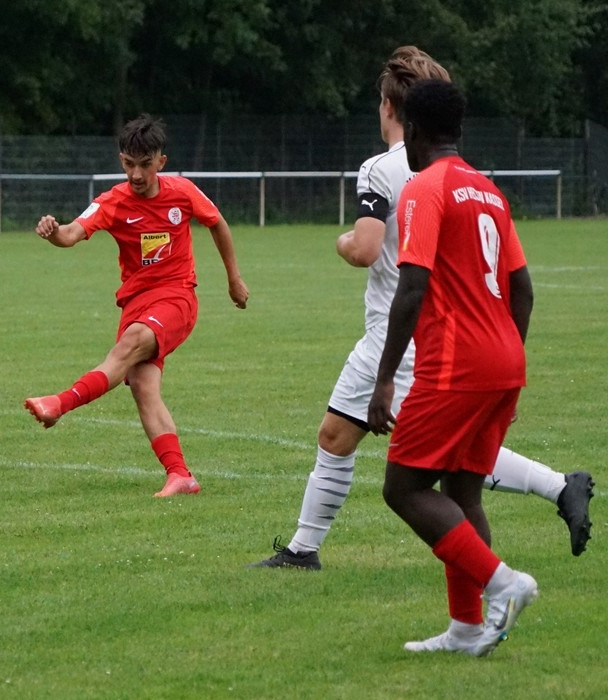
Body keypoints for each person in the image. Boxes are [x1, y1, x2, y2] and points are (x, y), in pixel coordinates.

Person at [249, 46, 593, 572]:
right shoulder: (472, 179)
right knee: (345, 436)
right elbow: (519, 286)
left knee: (436, 465)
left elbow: (366, 249)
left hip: (405, 335)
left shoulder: (381, 169)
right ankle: (304, 548)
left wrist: (341, 242)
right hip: (445, 335)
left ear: (391, 108)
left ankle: (549, 499)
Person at [367, 78, 538, 656]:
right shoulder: (489, 191)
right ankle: (466, 629)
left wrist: (385, 380)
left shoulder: (424, 188)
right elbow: (523, 290)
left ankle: (503, 583)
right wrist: (506, 363)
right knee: (463, 494)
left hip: (455, 365)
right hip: (503, 360)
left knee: (403, 487)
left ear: (413, 130)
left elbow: (412, 288)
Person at [24, 114, 250, 497]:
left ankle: (59, 403)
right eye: (129, 164)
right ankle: (180, 475)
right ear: (121, 160)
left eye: (145, 165)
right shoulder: (113, 201)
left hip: (177, 297)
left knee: (129, 345)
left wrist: (234, 279)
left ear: (161, 162)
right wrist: (53, 232)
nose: (136, 174)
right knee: (143, 387)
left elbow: (217, 223)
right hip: (135, 304)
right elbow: (72, 233)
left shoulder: (182, 192)